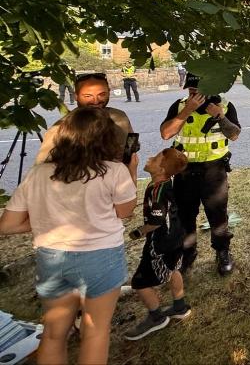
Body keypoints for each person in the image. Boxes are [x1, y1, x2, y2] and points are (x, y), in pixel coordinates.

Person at [0, 108, 138, 365]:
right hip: (102, 257)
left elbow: (7, 225)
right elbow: (126, 210)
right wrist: (131, 170)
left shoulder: (38, 173)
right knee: (95, 332)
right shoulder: (113, 171)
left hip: (51, 258)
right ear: (107, 138)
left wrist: (46, 222)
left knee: (53, 334)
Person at [160, 72, 241, 276]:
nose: (194, 95)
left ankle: (222, 252)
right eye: (191, 90)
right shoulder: (180, 106)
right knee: (185, 215)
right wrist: (187, 110)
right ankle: (188, 252)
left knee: (217, 215)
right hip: (184, 171)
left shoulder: (225, 105)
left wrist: (220, 116)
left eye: (199, 91)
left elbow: (234, 135)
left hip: (214, 170)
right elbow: (166, 133)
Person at [124, 148, 192, 340]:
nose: (149, 158)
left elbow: (156, 221)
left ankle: (156, 317)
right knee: (173, 269)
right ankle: (179, 306)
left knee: (139, 282)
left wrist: (138, 232)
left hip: (161, 245)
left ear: (161, 169)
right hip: (176, 240)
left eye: (154, 158)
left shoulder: (157, 191)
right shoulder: (165, 184)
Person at [36, 72, 139, 180]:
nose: (96, 101)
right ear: (76, 96)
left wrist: (131, 178)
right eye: (88, 96)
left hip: (119, 188)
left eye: (102, 94)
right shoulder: (60, 128)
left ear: (109, 92)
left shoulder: (120, 117)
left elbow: (131, 151)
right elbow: (42, 170)